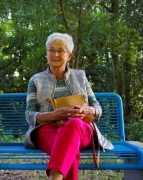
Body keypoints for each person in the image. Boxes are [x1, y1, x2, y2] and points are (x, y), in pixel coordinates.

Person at [24, 32, 113, 180]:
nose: (55, 54)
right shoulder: (36, 80)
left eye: (60, 50)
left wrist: (91, 110)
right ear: (46, 53)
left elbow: (97, 106)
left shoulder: (80, 77)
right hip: (47, 128)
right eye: (51, 50)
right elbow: (30, 114)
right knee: (68, 150)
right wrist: (54, 115)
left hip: (80, 128)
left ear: (69, 56)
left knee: (73, 124)